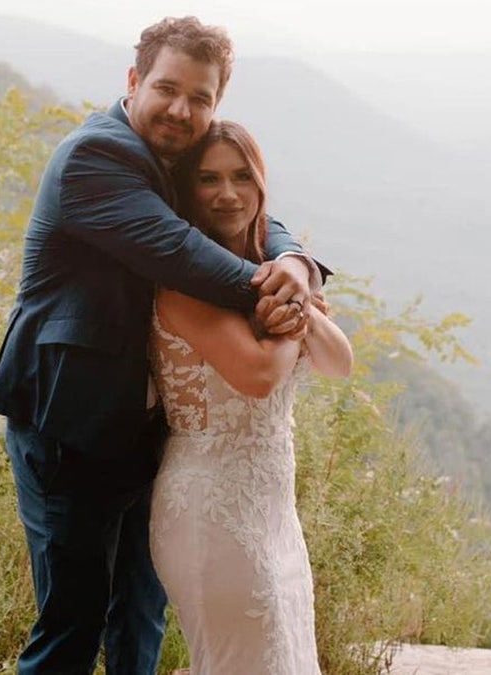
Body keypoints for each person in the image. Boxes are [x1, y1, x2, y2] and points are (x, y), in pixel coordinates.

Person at [0, 16, 324, 675]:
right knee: (72, 622)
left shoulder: (176, 158)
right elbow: (181, 252)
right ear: (133, 80)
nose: (181, 108)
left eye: (200, 98)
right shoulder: (95, 157)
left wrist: (297, 264)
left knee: (139, 614)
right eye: (167, 88)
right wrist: (277, 295)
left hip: (148, 430)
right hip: (67, 422)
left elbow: (254, 209)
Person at [149, 120, 352, 674]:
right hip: (209, 509)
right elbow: (258, 375)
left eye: (242, 176)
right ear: (187, 192)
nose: (228, 193)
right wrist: (292, 325)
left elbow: (341, 363)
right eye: (209, 179)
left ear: (261, 184)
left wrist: (296, 300)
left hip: (272, 510)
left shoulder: (271, 276)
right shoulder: (181, 286)